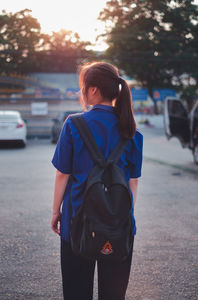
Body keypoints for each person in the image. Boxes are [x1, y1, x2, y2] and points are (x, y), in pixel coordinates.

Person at [51, 61, 143, 300]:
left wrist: (55, 212)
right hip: (119, 225)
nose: (81, 92)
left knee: (76, 292)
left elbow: (63, 174)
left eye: (83, 87)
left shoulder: (73, 124)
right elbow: (133, 183)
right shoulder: (131, 130)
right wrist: (123, 216)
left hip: (77, 223)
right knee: (113, 296)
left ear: (93, 90)